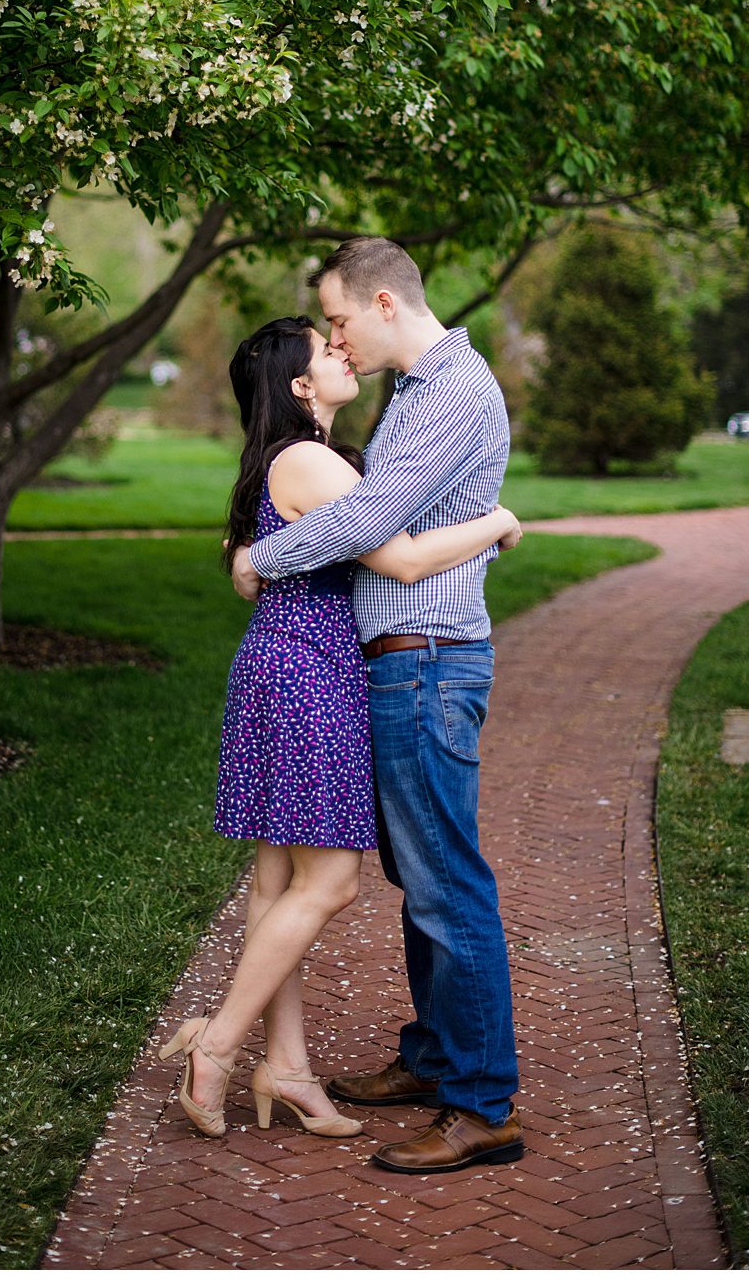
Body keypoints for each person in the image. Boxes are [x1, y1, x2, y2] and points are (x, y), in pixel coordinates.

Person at [163, 316, 520, 1143]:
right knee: (331, 885)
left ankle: (284, 1065)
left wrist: (248, 558)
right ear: (299, 386)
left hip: (278, 666)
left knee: (275, 885)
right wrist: (498, 521)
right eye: (326, 351)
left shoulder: (286, 460)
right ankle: (215, 1047)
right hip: (311, 677)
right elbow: (399, 559)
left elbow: (257, 554)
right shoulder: (313, 460)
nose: (341, 351)